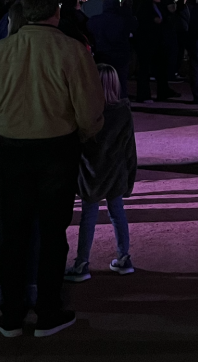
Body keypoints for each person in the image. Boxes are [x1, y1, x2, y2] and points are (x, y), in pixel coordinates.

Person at [0, 0, 105, 339]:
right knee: (51, 232)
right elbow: (90, 111)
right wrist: (86, 134)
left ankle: (11, 312)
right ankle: (48, 310)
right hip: (56, 149)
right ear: (55, 12)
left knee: (12, 230)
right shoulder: (72, 51)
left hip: (9, 149)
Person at [66, 65, 138, 282]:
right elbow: (130, 149)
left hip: (91, 175)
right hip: (115, 173)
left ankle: (82, 263)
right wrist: (129, 179)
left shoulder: (86, 111)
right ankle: (124, 257)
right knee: (118, 213)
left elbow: (76, 146)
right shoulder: (123, 111)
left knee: (88, 216)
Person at [87, 0, 134, 97]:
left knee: (102, 82)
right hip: (120, 55)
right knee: (121, 82)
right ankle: (121, 105)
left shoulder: (94, 21)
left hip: (101, 55)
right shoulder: (124, 20)